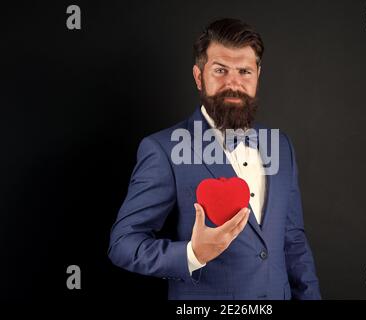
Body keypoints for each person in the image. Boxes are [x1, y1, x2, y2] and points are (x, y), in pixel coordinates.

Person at [108, 18, 321, 300]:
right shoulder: (162, 149)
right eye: (220, 70)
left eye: (245, 71)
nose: (233, 82)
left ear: (258, 74)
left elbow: (293, 241)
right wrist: (192, 254)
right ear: (199, 76)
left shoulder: (281, 146)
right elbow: (123, 244)